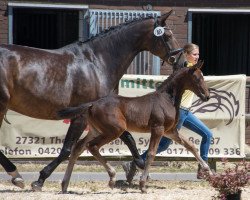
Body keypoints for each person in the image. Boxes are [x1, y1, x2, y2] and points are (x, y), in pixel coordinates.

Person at [122, 43, 213, 182]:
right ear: (187, 54)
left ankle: (203, 169)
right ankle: (135, 163)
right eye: (194, 54)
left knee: (207, 134)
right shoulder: (186, 71)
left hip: (187, 111)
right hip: (178, 111)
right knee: (164, 144)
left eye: (198, 54)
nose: (197, 57)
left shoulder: (194, 70)